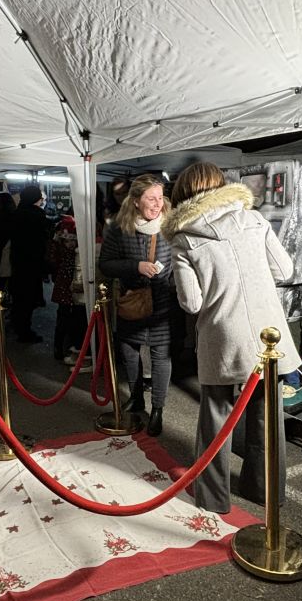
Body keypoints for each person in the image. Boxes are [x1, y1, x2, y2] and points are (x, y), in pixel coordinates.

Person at [163, 162, 300, 513]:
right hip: (269, 334)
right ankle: (266, 490)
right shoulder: (255, 220)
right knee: (266, 414)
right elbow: (285, 270)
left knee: (215, 414)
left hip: (222, 334)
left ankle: (213, 497)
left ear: (183, 194)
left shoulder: (183, 237)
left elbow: (191, 303)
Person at [99, 175, 173, 436]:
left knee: (160, 355)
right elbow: (105, 264)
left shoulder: (171, 227)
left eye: (160, 198)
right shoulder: (121, 228)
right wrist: (135, 266)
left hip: (161, 303)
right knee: (129, 350)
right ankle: (137, 396)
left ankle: (158, 409)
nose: (157, 204)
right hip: (131, 299)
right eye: (151, 199)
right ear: (135, 201)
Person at [9, 184, 54, 343]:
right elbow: (42, 240)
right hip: (32, 262)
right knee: (27, 299)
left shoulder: (17, 213)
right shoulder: (37, 215)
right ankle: (24, 331)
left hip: (18, 261)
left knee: (20, 297)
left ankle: (18, 326)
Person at [48, 210, 88, 364]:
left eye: (72, 241)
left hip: (71, 283)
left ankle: (68, 346)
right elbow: (53, 260)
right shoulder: (60, 248)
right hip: (65, 284)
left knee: (72, 317)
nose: (70, 244)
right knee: (64, 316)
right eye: (67, 241)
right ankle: (59, 347)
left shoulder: (70, 249)